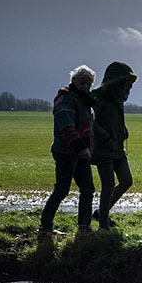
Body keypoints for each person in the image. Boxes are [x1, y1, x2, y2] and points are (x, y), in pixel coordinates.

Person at [39, 64, 97, 238]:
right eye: (82, 83)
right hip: (66, 151)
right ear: (73, 81)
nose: (85, 87)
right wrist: (82, 148)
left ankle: (84, 227)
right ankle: (46, 228)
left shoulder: (84, 100)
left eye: (88, 84)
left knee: (87, 189)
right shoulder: (65, 99)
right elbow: (67, 127)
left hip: (81, 151)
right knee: (62, 189)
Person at [91, 61, 138, 231]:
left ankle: (100, 213)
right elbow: (90, 120)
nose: (129, 88)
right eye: (127, 83)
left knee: (126, 180)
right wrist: (105, 136)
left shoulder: (118, 97)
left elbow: (114, 118)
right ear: (117, 81)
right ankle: (103, 225)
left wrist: (122, 129)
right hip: (103, 148)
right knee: (108, 185)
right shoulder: (98, 96)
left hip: (117, 146)